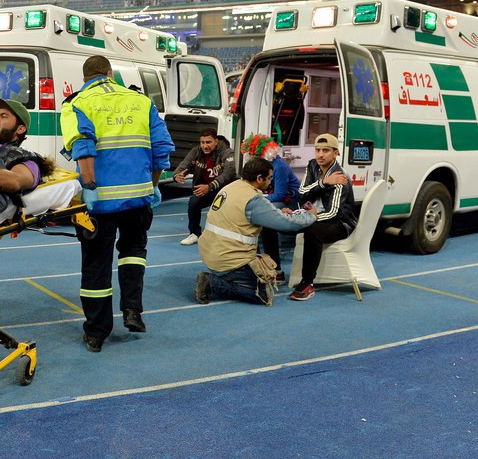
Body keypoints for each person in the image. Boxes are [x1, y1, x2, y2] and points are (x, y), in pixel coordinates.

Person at [61, 55, 173, 353]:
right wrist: (153, 184)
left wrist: (90, 187)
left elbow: (83, 146)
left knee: (96, 266)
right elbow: (161, 149)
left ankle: (97, 333)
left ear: (85, 77)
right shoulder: (140, 101)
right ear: (110, 73)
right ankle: (133, 310)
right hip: (138, 199)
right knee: (134, 252)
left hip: (101, 204)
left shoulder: (77, 103)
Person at [194, 157, 317, 305]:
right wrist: (310, 216)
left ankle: (219, 278)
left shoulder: (231, 187)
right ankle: (212, 283)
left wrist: (277, 212)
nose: (270, 182)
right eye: (269, 178)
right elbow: (287, 224)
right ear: (259, 178)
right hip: (230, 261)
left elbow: (245, 215)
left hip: (210, 253)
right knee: (263, 294)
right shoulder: (253, 199)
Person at [289, 133, 358, 301]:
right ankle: (275, 272)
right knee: (274, 222)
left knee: (313, 231)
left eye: (326, 150)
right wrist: (324, 182)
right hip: (314, 215)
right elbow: (302, 193)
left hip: (341, 223)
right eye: (317, 150)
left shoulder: (341, 177)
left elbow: (334, 212)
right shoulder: (312, 165)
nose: (320, 154)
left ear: (336, 153)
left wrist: (307, 219)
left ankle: (307, 282)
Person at [239, 134, 301, 281]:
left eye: (255, 154)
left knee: (266, 216)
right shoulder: (258, 167)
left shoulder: (279, 167)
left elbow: (280, 194)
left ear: (264, 152)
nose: (251, 156)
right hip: (270, 198)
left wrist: (261, 201)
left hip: (289, 201)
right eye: (250, 153)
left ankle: (274, 268)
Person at [173, 127, 235, 245]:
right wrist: (177, 176)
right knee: (194, 202)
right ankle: (195, 233)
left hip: (225, 190)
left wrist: (210, 186)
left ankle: (227, 236)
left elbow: (229, 173)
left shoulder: (227, 152)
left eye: (208, 142)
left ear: (216, 142)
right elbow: (182, 166)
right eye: (202, 142)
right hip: (204, 189)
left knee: (224, 211)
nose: (205, 146)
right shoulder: (195, 152)